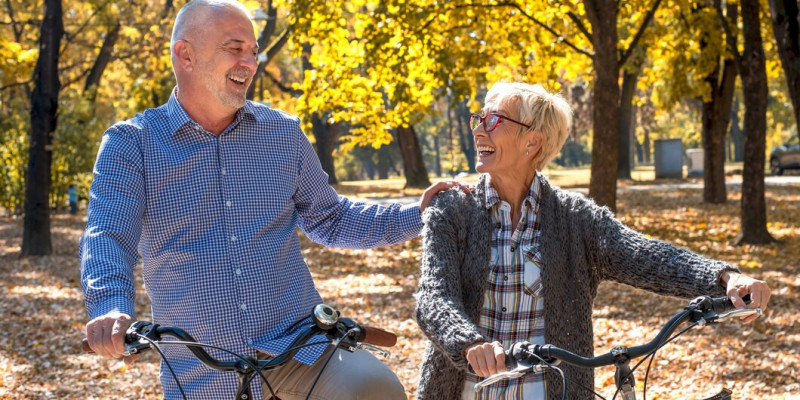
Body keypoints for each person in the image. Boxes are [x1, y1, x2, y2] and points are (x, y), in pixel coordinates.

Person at [80, 1, 463, 399]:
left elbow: (330, 218)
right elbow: (108, 235)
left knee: (375, 387)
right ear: (186, 54)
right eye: (235, 48)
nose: (250, 62)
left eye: (254, 50)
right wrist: (110, 305)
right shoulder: (132, 144)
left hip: (302, 350)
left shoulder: (282, 134)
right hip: (201, 371)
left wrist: (420, 213)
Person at [413, 82, 771, 400]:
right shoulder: (453, 209)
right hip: (462, 390)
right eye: (480, 119)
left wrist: (725, 278)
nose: (479, 131)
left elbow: (644, 255)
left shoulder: (575, 218)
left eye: (495, 121)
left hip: (554, 389)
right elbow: (434, 296)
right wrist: (470, 343)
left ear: (532, 142)